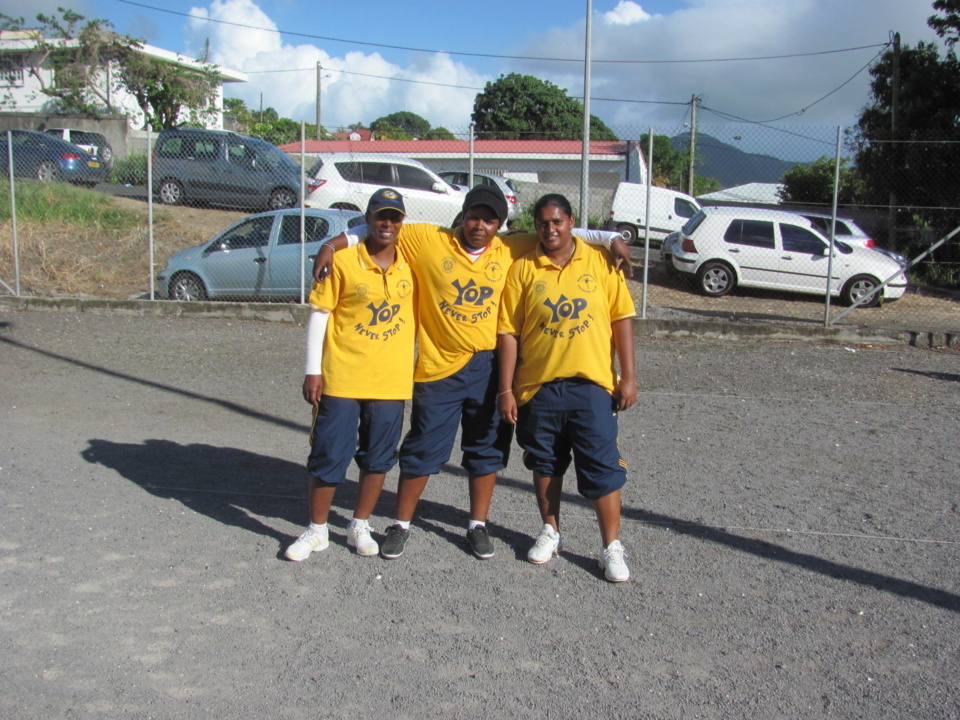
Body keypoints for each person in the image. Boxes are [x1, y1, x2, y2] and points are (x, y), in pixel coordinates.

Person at [312, 185, 632, 561]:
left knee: (487, 448)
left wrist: (612, 238)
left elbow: (563, 233)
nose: (480, 225)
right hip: (438, 365)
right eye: (474, 216)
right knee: (422, 449)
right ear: (462, 216)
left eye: (490, 219)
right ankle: (401, 523)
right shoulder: (429, 239)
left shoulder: (511, 247)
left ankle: (477, 525)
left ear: (500, 224)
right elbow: (381, 227)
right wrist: (331, 245)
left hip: (488, 366)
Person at [496, 193, 638, 582]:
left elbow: (621, 319)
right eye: (543, 223)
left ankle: (611, 547)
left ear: (571, 222)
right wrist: (506, 389)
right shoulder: (524, 268)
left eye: (557, 221)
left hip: (591, 385)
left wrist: (629, 376)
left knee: (602, 467)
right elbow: (508, 330)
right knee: (545, 462)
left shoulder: (601, 261)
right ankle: (550, 530)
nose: (550, 229)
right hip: (538, 387)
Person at [285, 188, 416, 561]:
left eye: (394, 217)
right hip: (342, 377)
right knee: (328, 454)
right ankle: (317, 530)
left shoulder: (413, 260)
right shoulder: (343, 260)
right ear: (367, 219)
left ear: (402, 222)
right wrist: (313, 371)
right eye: (380, 216)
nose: (387, 224)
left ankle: (360, 523)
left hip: (390, 382)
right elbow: (320, 314)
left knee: (378, 458)